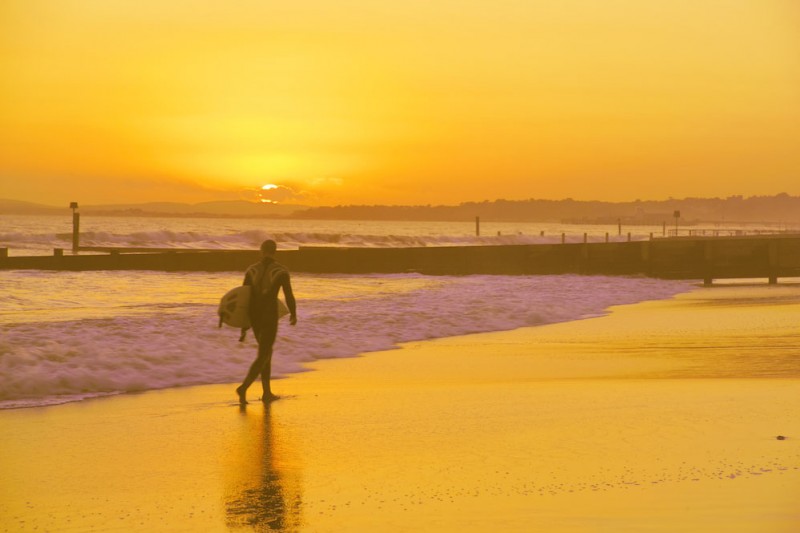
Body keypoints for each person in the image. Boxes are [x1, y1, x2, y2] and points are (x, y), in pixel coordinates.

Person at [236, 239, 297, 404]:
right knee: (264, 354)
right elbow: (288, 295)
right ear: (275, 251)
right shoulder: (281, 271)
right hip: (269, 315)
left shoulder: (251, 270)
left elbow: (244, 298)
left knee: (266, 353)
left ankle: (266, 393)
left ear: (261, 251)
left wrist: (244, 325)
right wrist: (293, 313)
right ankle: (243, 387)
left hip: (254, 316)